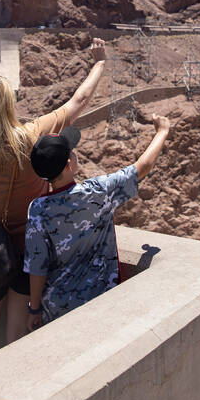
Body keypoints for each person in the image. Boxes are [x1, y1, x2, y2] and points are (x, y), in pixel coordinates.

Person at [0, 36, 107, 365]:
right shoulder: (30, 136)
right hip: (28, 253)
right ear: (7, 105)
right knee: (16, 342)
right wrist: (99, 64)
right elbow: (77, 102)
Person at [24, 114, 171, 331]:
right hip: (101, 301)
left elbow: (38, 266)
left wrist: (34, 309)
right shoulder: (98, 192)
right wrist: (162, 132)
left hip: (57, 309)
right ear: (67, 165)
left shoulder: (37, 210)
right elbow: (143, 166)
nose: (75, 153)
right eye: (71, 152)